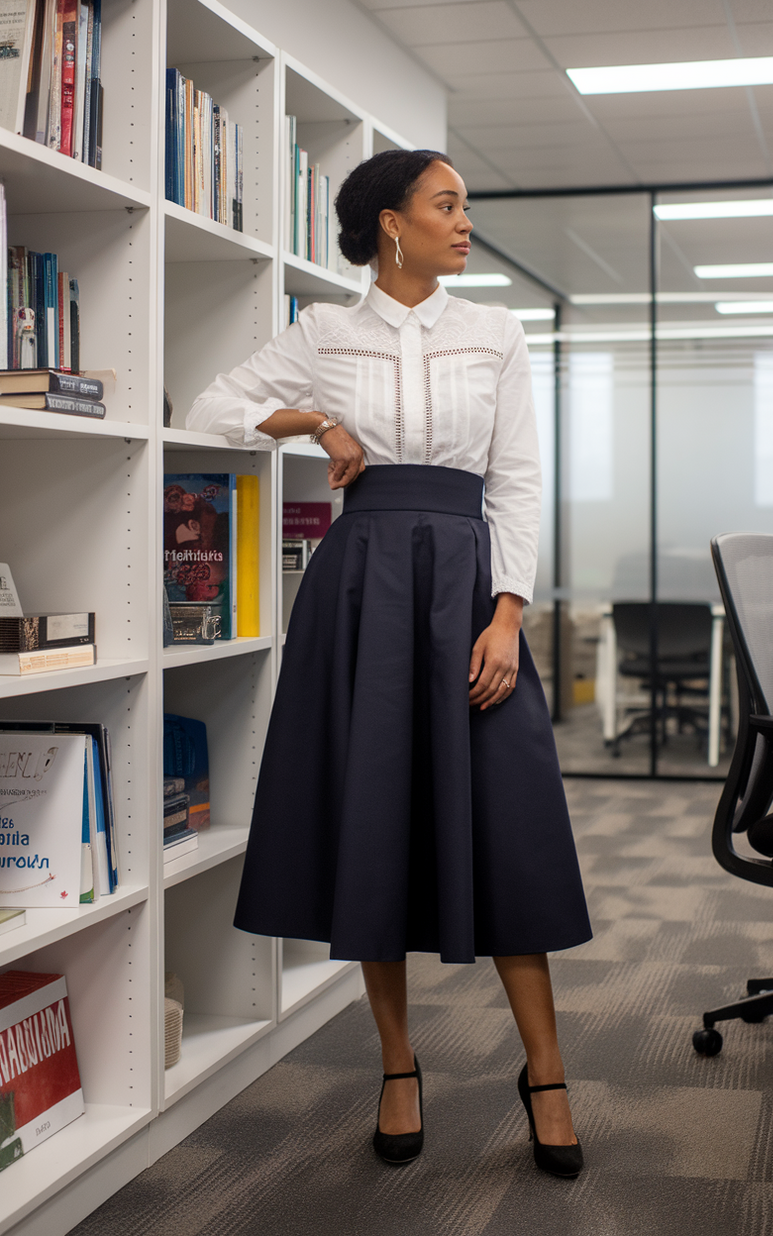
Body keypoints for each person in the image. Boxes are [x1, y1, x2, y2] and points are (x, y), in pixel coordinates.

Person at [186, 149, 592, 1177]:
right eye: (446, 206)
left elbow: (516, 481)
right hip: (361, 590)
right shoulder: (323, 333)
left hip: (465, 585)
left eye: (465, 208)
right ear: (388, 224)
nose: (464, 224)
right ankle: (396, 1063)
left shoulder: (492, 332)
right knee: (371, 821)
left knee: (506, 823)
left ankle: (544, 1070)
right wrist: (314, 418)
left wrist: (506, 617)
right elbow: (210, 409)